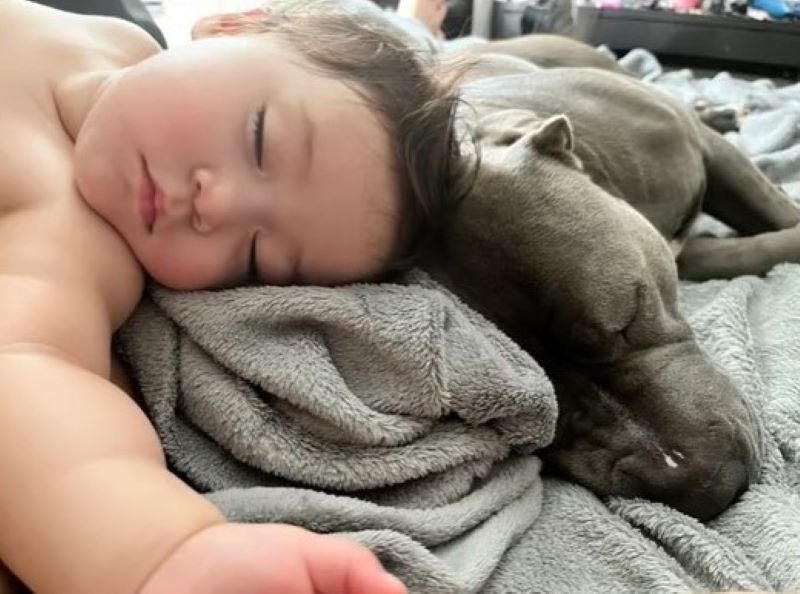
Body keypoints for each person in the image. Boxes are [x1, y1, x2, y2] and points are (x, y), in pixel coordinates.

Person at [0, 0, 465, 592]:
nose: (215, 206)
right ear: (236, 23)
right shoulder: (120, 38)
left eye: (254, 256)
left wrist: (164, 551)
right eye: (259, 139)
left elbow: (29, 377)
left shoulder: (70, 245)